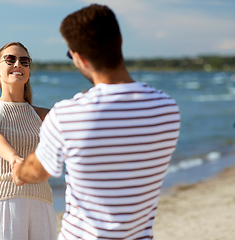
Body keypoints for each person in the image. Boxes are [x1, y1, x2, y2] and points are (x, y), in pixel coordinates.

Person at [12, 4, 180, 240]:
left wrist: (19, 171)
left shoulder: (67, 114)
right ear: (120, 41)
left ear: (78, 57)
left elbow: (38, 171)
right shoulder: (166, 108)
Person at [0, 42, 57, 240]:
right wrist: (14, 158)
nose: (18, 64)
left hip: (42, 201)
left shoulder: (45, 115)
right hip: (2, 202)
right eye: (10, 59)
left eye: (24, 61)